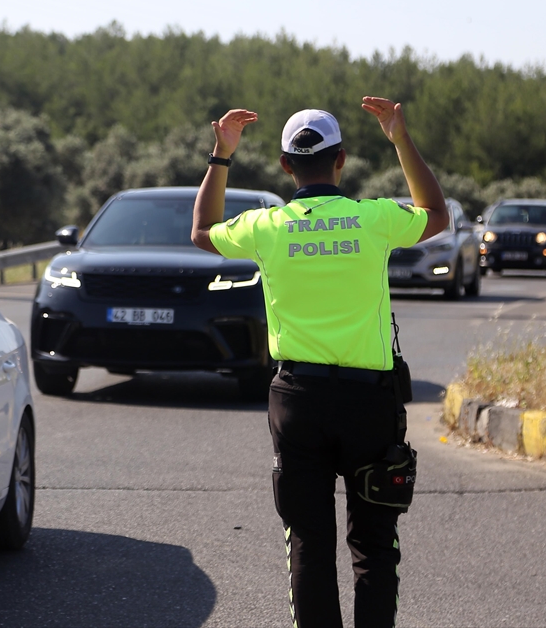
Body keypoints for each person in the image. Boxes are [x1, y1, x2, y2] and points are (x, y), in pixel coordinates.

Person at [191, 99, 448, 627]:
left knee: (309, 542)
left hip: (298, 401)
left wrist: (222, 155)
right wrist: (400, 138)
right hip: (369, 403)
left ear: (286, 166)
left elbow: (202, 230)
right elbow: (438, 214)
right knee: (374, 545)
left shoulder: (267, 226)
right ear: (342, 160)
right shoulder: (374, 219)